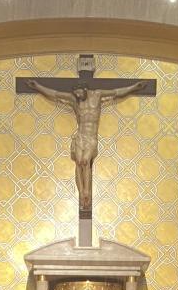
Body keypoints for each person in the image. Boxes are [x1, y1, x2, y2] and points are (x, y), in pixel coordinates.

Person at [22, 79, 148, 213]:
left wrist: (134, 87)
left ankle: (86, 191)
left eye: (79, 93)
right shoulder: (74, 99)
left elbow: (117, 92)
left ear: (85, 89)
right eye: (75, 94)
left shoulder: (97, 95)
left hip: (91, 137)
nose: (77, 96)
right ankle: (81, 192)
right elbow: (54, 94)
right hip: (80, 136)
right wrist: (37, 87)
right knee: (78, 163)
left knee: (85, 162)